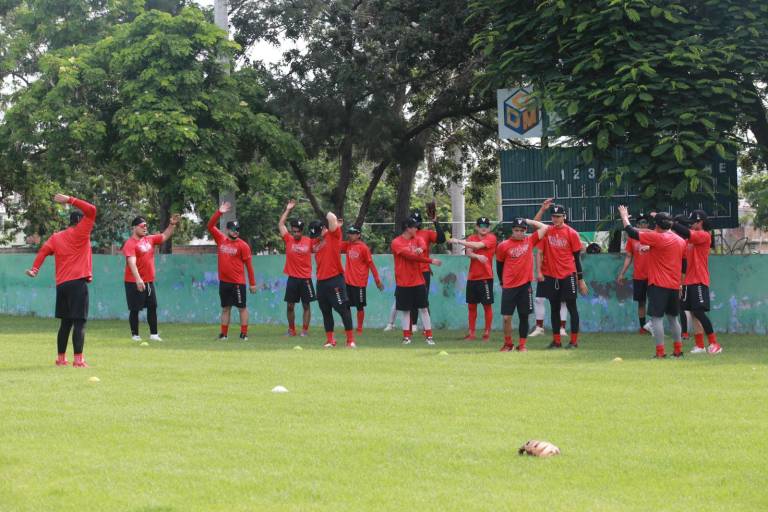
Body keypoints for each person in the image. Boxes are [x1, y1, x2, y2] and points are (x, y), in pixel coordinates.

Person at [26, 194, 96, 367]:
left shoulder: (56, 237)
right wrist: (70, 200)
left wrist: (35, 269)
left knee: (66, 323)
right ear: (80, 221)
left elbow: (43, 251)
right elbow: (92, 210)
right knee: (79, 322)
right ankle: (78, 360)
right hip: (78, 283)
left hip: (62, 286)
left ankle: (61, 358)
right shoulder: (82, 231)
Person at [619, 206, 686, 358]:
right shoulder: (680, 241)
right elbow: (676, 258)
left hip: (658, 285)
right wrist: (650, 248)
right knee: (673, 319)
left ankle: (660, 352)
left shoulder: (658, 238)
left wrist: (624, 216)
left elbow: (632, 232)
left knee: (657, 319)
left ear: (656, 225)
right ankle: (678, 350)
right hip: (675, 286)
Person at [533, 200, 588, 348]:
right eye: (553, 216)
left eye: (558, 216)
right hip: (551, 276)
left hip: (568, 275)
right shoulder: (547, 231)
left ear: (564, 216)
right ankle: (557, 341)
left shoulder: (572, 233)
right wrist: (542, 209)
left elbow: (577, 258)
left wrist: (580, 280)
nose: (555, 219)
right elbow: (534, 223)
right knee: (554, 307)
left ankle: (574, 342)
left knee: (572, 307)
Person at [122, 213, 180, 341]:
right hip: (133, 282)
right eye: (142, 226)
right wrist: (138, 279)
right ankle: (135, 335)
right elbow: (131, 262)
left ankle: (154, 334)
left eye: (146, 226)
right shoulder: (130, 243)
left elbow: (165, 236)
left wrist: (172, 224)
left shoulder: (150, 239)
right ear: (135, 228)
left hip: (148, 281)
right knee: (135, 309)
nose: (145, 228)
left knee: (152, 307)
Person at [495, 218, 549, 351]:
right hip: (509, 286)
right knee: (507, 318)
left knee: (524, 316)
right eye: (516, 230)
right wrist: (502, 282)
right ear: (512, 230)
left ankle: (522, 345)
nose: (519, 233)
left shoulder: (530, 241)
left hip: (525, 286)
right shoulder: (503, 246)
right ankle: (508, 344)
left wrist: (528, 221)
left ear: (526, 231)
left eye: (522, 230)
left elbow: (545, 228)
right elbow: (499, 266)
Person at [673, 210, 722, 354]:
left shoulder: (704, 235)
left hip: (699, 279)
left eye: (692, 222)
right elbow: (677, 241)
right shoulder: (689, 239)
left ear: (700, 222)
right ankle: (700, 346)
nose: (690, 225)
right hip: (689, 280)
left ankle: (714, 344)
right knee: (694, 313)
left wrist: (673, 224)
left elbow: (687, 233)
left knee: (699, 312)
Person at [207, 202, 256, 341]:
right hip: (224, 282)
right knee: (225, 308)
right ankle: (223, 334)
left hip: (238, 283)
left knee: (242, 308)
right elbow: (210, 226)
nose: (236, 231)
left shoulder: (243, 246)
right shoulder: (221, 239)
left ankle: (244, 334)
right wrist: (219, 212)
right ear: (227, 230)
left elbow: (249, 266)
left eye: (238, 229)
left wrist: (252, 283)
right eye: (233, 229)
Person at [391, 218, 443, 345]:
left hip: (418, 281)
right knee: (406, 311)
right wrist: (430, 261)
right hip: (403, 282)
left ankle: (429, 337)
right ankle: (406, 337)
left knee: (424, 309)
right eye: (414, 227)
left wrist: (421, 249)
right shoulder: (396, 242)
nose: (416, 229)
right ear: (408, 228)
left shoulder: (417, 238)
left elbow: (423, 245)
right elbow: (410, 256)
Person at [309, 212, 355, 348]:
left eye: (318, 234)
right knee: (326, 312)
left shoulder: (334, 236)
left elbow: (332, 218)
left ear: (324, 228)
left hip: (335, 280)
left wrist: (329, 220)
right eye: (314, 235)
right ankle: (330, 341)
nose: (315, 238)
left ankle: (350, 340)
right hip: (321, 282)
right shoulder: (315, 241)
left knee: (343, 310)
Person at [448, 217, 498, 340]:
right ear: (476, 227)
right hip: (472, 277)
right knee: (471, 306)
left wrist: (458, 241)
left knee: (487, 306)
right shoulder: (471, 237)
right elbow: (468, 252)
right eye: (481, 225)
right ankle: (471, 333)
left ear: (489, 228)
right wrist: (477, 256)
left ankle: (487, 332)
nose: (483, 228)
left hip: (486, 276)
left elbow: (477, 245)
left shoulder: (491, 238)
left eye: (486, 225)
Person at [278, 200, 314, 336]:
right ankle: (291, 329)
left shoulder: (309, 241)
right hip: (292, 278)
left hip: (306, 279)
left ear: (302, 231)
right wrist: (288, 209)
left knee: (306, 305)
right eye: (293, 231)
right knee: (290, 306)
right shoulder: (288, 240)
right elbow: (281, 224)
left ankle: (304, 330)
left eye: (298, 231)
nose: (295, 233)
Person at [341, 226, 384, 335]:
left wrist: (377, 280)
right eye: (349, 233)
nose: (350, 235)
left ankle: (359, 328)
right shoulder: (348, 245)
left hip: (359, 282)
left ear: (358, 235)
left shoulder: (363, 248)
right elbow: (336, 243)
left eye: (353, 233)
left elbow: (371, 264)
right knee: (346, 306)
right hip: (347, 282)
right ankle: (349, 326)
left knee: (359, 306)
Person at [409, 209, 446, 329]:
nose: (416, 224)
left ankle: (427, 328)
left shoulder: (426, 233)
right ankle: (413, 326)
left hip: (424, 270)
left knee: (423, 300)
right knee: (412, 299)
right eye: (413, 222)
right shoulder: (406, 235)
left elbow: (441, 239)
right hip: (410, 271)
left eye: (418, 221)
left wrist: (436, 222)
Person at [617, 213, 652, 334]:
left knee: (654, 302)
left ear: (648, 224)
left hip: (654, 276)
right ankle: (643, 327)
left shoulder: (653, 236)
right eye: (640, 223)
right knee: (641, 303)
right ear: (636, 225)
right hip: (639, 276)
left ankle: (654, 326)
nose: (642, 225)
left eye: (645, 222)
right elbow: (628, 256)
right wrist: (622, 273)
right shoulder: (632, 239)